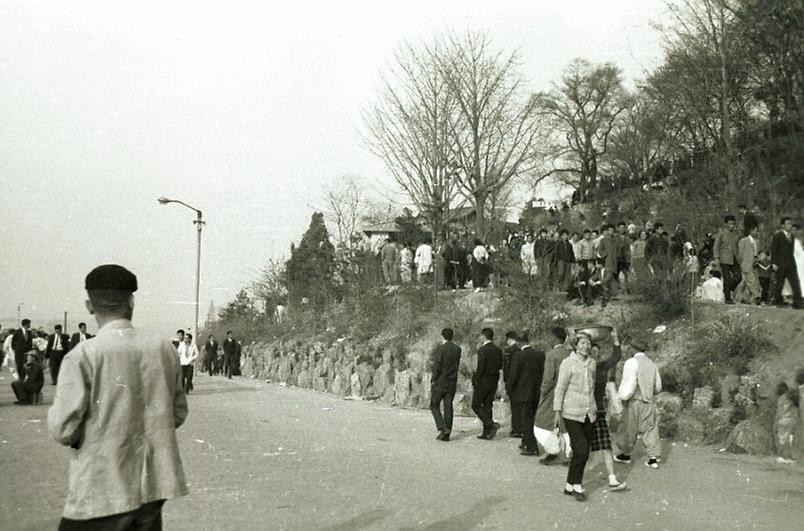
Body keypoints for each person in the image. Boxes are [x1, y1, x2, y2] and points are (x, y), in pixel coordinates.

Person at [48, 264, 188, 528]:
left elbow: (64, 429)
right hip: (151, 489)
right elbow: (178, 413)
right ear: (131, 301)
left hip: (100, 489)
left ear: (90, 306)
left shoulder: (81, 355)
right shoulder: (163, 348)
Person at [554, 330, 597, 501]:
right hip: (571, 413)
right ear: (575, 345)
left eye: (588, 343)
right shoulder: (567, 363)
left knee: (582, 450)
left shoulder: (593, 363)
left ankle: (569, 484)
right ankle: (578, 485)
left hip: (589, 413)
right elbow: (560, 389)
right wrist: (557, 412)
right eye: (582, 343)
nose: (586, 347)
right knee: (582, 449)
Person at [615, 336, 663, 469]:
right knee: (650, 429)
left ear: (633, 349)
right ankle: (653, 458)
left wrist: (621, 397)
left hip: (635, 401)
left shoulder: (631, 362)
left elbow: (629, 384)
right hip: (648, 401)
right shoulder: (652, 364)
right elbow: (658, 386)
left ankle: (625, 454)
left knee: (629, 429)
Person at [588, 331, 627, 491]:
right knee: (582, 449)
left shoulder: (602, 367)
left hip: (599, 412)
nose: (595, 355)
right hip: (582, 412)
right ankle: (575, 481)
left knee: (606, 446)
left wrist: (615, 338)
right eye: (592, 352)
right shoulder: (580, 366)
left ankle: (612, 479)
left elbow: (616, 356)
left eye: (597, 353)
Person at [535, 326, 571, 466]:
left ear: (554, 338)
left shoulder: (551, 355)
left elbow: (548, 379)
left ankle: (553, 451)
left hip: (552, 395)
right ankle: (567, 453)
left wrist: (542, 392)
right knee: (564, 423)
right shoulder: (570, 354)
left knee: (542, 424)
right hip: (568, 395)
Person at [508, 331, 545, 456]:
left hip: (522, 393)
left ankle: (531, 447)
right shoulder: (540, 355)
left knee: (526, 420)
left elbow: (513, 376)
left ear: (518, 342)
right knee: (532, 419)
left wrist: (510, 391)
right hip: (536, 392)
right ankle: (526, 442)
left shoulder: (518, 356)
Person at [430, 328, 462, 441]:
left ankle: (443, 427)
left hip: (441, 380)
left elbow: (437, 366)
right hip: (452, 381)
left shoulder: (441, 349)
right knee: (448, 406)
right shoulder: (458, 349)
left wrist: (433, 379)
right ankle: (446, 434)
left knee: (434, 405)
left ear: (442, 336)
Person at [472, 328, 503, 440]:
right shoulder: (498, 350)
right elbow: (500, 365)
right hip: (493, 380)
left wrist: (475, 379)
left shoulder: (483, 350)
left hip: (483, 381)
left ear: (483, 336)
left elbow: (481, 368)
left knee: (475, 405)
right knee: (487, 405)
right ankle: (487, 432)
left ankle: (490, 424)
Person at [771, 217, 803, 309]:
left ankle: (798, 302)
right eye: (788, 224)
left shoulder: (792, 237)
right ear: (783, 225)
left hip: (791, 264)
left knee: (795, 283)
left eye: (790, 224)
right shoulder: (777, 236)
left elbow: (791, 251)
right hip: (780, 264)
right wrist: (774, 263)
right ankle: (776, 301)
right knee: (779, 283)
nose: (790, 226)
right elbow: (774, 250)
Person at [713, 215, 741, 304]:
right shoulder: (721, 234)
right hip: (724, 259)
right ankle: (728, 298)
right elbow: (716, 246)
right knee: (727, 278)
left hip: (734, 258)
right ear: (726, 224)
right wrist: (716, 258)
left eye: (733, 224)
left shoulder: (736, 234)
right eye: (730, 224)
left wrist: (740, 258)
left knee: (738, 277)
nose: (732, 226)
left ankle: (729, 288)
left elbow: (738, 246)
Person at [503, 330, 522, 437]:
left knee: (514, 406)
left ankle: (516, 428)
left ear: (509, 339)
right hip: (522, 382)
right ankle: (521, 427)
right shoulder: (520, 350)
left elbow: (507, 369)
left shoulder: (509, 351)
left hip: (512, 381)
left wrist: (507, 383)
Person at [735, 225, 761, 304]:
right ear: (751, 231)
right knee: (751, 282)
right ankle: (756, 297)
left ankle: (738, 298)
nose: (757, 233)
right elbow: (740, 254)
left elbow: (758, 252)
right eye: (756, 231)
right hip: (746, 265)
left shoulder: (757, 241)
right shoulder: (744, 241)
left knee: (744, 282)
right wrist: (742, 263)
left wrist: (757, 260)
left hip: (755, 265)